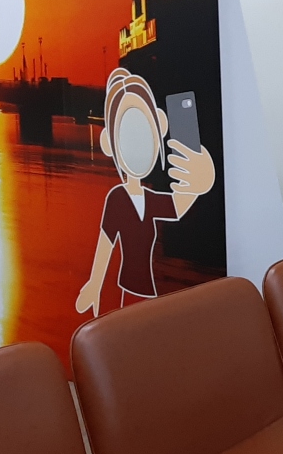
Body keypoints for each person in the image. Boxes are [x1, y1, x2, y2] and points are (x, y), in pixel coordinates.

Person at [75, 68, 215, 315]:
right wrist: (95, 285)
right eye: (127, 134)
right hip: (127, 292)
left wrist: (201, 183)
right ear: (109, 142)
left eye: (144, 132)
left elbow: (177, 207)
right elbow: (106, 243)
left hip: (148, 292)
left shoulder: (149, 200)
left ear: (159, 127)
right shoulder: (117, 199)